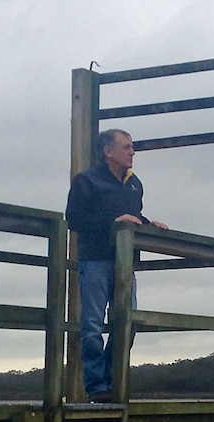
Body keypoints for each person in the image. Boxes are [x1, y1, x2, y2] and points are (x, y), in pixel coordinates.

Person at [66, 128, 168, 403]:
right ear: (108, 151)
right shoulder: (86, 181)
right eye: (126, 147)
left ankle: (112, 381)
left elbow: (133, 216)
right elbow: (75, 219)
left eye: (132, 147)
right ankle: (97, 387)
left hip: (125, 263)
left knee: (128, 323)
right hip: (96, 260)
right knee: (92, 324)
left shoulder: (134, 184)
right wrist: (114, 223)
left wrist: (148, 225)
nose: (132, 152)